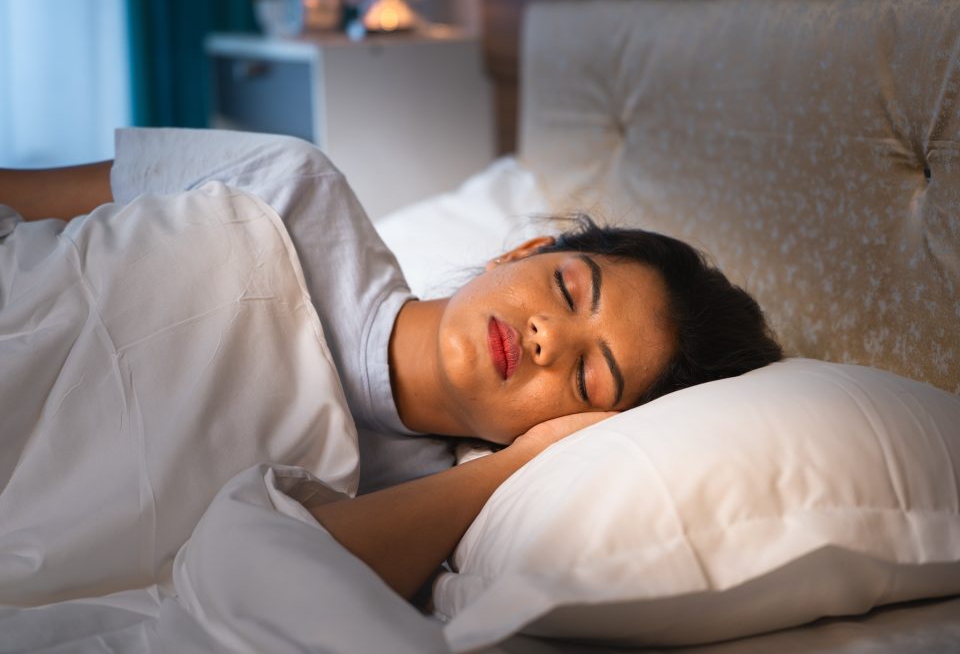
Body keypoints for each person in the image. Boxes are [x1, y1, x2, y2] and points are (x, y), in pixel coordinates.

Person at [0, 128, 781, 604]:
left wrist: (521, 463)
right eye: (569, 289)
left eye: (586, 377)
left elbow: (269, 571)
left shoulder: (420, 507)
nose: (547, 336)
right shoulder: (293, 185)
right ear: (521, 252)